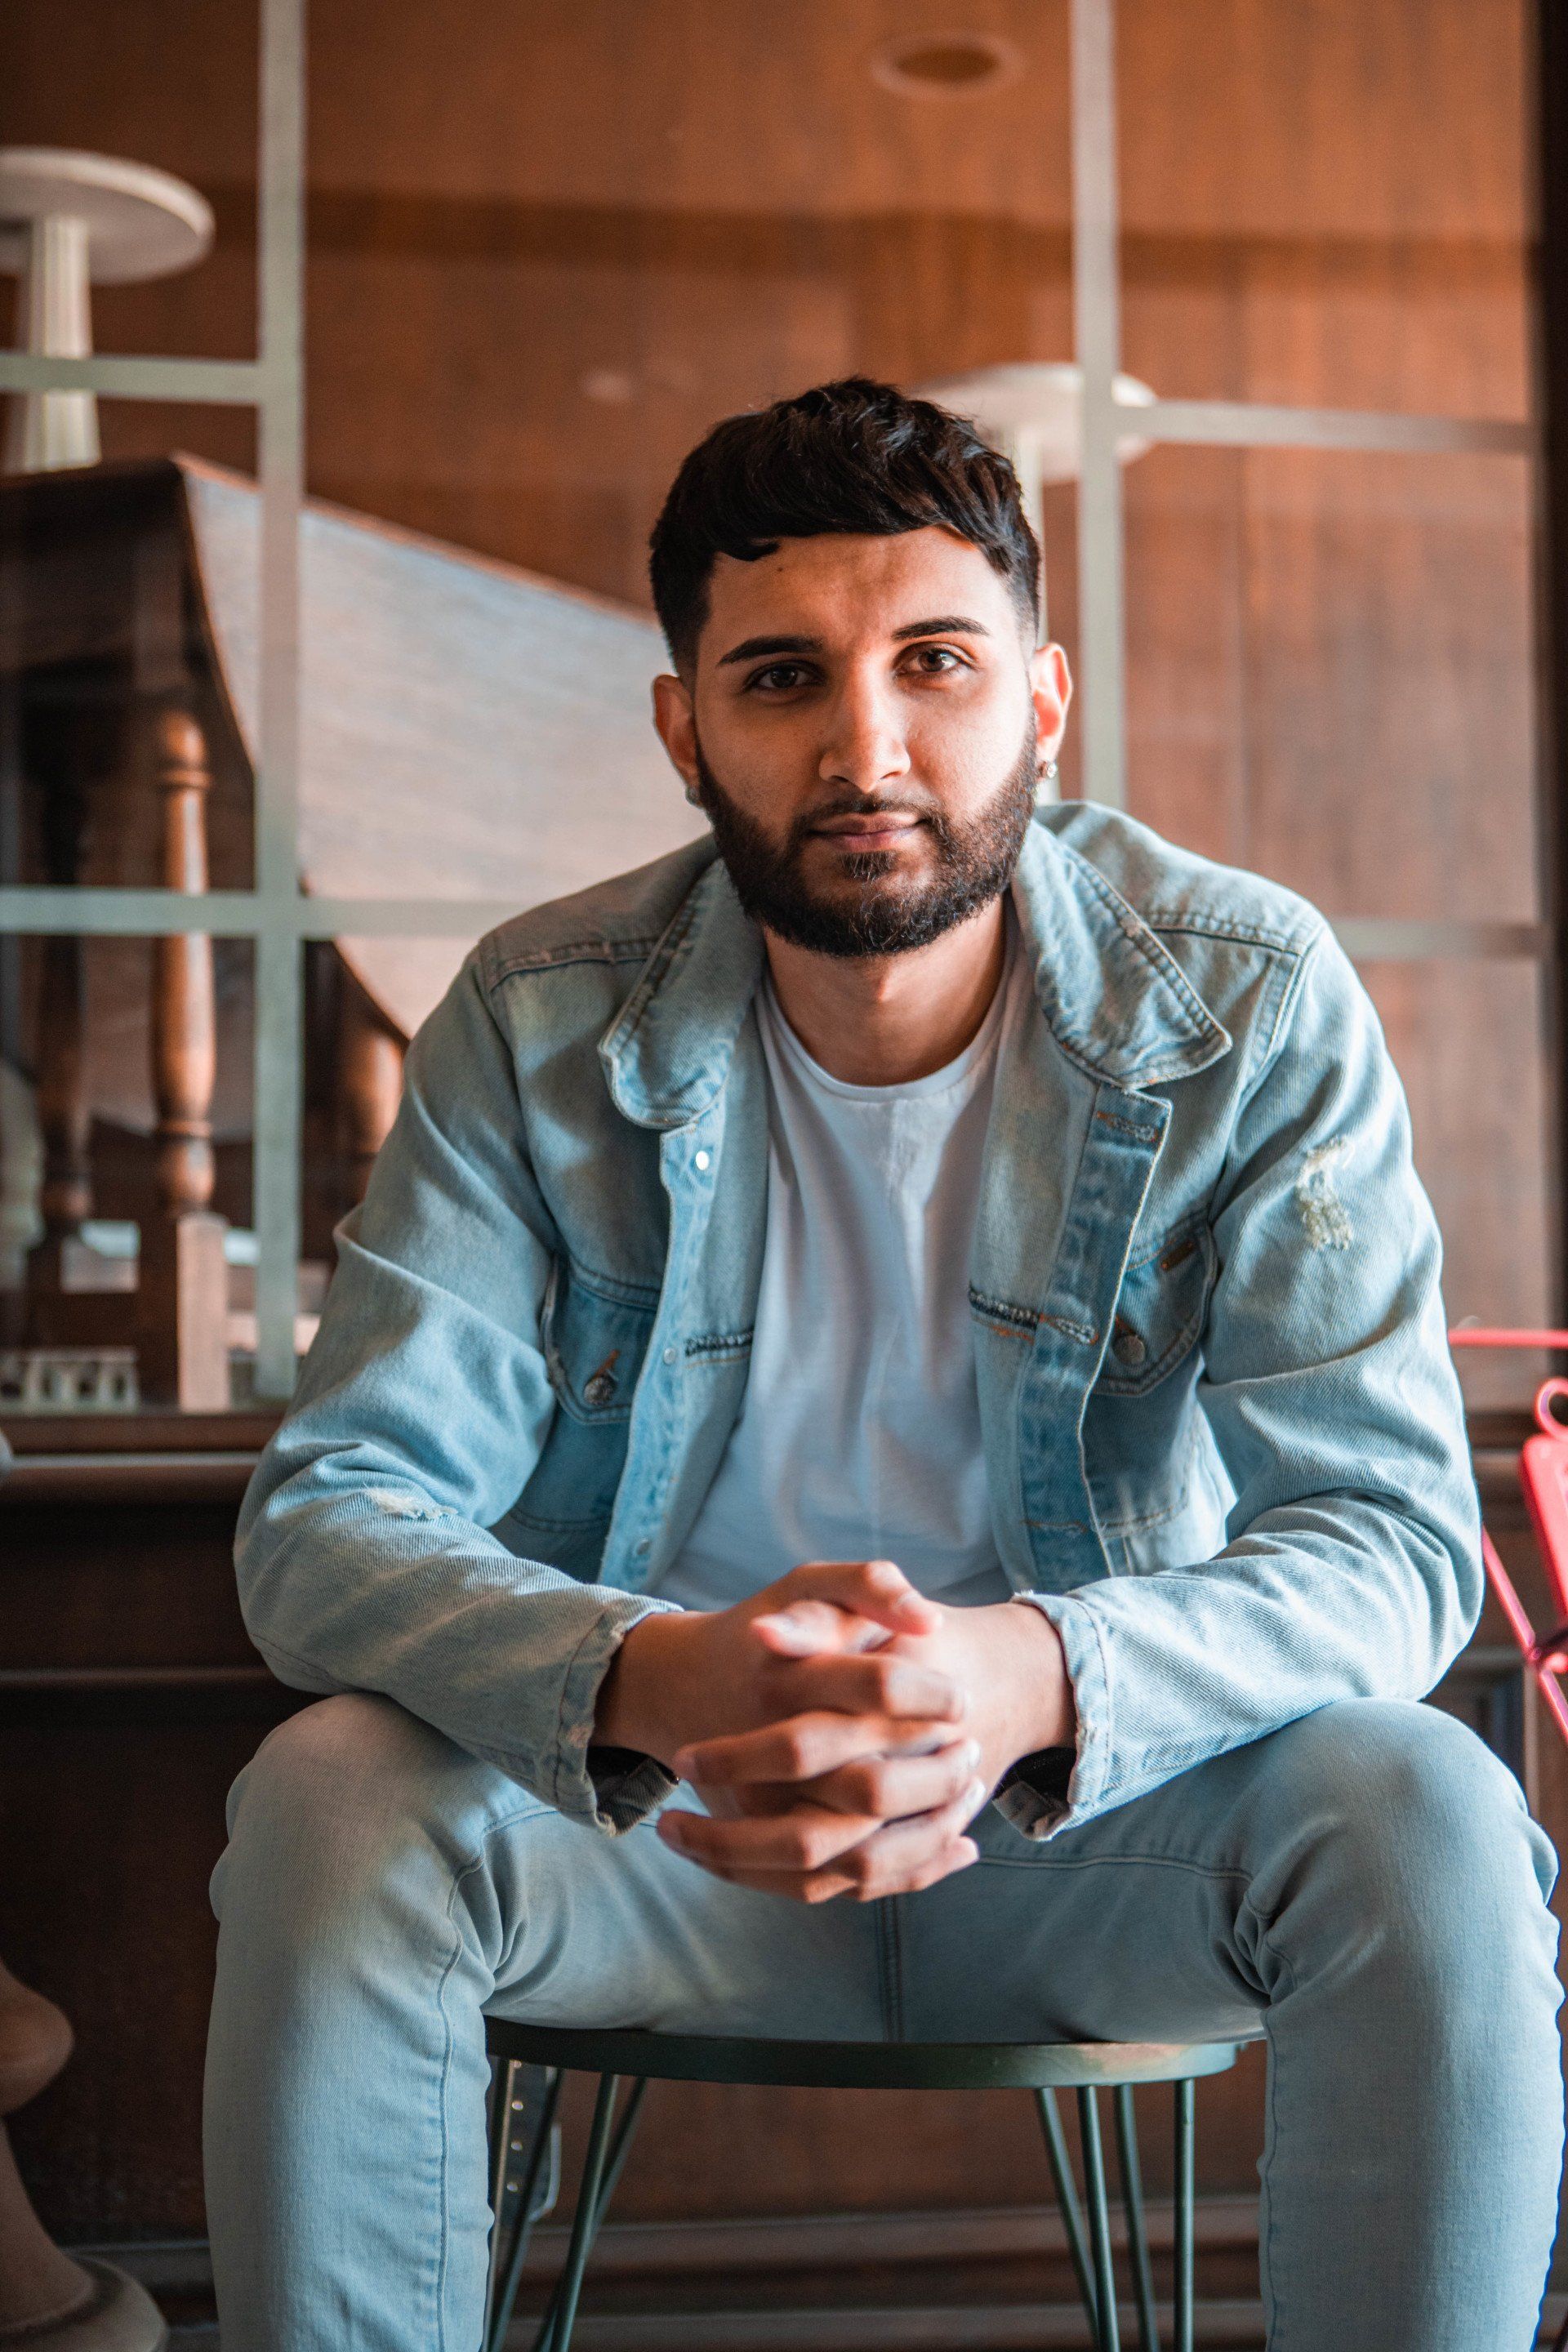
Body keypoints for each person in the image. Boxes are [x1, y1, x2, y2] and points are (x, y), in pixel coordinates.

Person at [204, 378, 1562, 2351]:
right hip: (665, 1836)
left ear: (1043, 699)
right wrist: (663, 1675)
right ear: (684, 731)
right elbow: (328, 1521)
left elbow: (1396, 1542)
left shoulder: (1249, 1001)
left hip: (1101, 1845)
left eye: (936, 662)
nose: (869, 746)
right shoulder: (535, 1016)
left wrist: (1017, 1679)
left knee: (1428, 1807)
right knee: (330, 1800)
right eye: (780, 679)